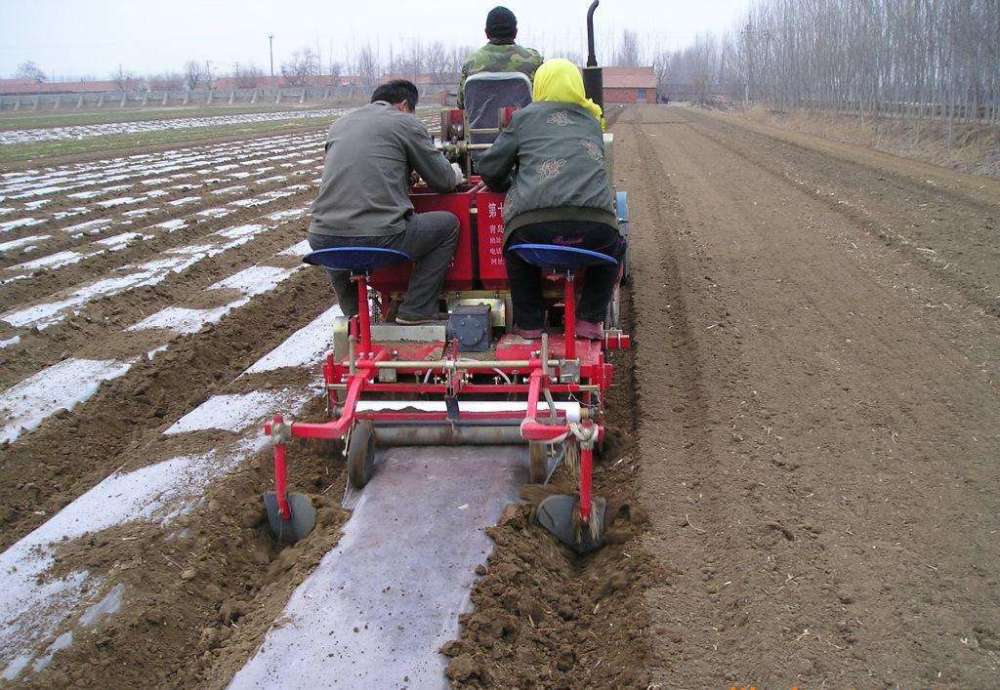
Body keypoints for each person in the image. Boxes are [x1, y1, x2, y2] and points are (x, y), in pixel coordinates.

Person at [477, 59, 625, 340]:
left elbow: (489, 168)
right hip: (596, 229)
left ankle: (530, 322)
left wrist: (506, 185)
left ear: (539, 86)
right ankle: (590, 319)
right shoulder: (593, 120)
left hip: (535, 227)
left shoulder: (523, 118)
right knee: (613, 249)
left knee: (514, 246)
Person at [308, 79, 463, 324]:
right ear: (403, 106)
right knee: (447, 225)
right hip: (379, 236)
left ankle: (355, 318)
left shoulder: (340, 124)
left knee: (337, 237)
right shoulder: (404, 122)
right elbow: (443, 181)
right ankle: (416, 310)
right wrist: (455, 173)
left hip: (321, 237)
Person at [457, 6, 543, 110]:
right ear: (515, 32)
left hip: (479, 126)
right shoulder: (533, 60)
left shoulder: (471, 63)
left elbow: (462, 104)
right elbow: (543, 100)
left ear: (486, 33)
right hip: (524, 125)